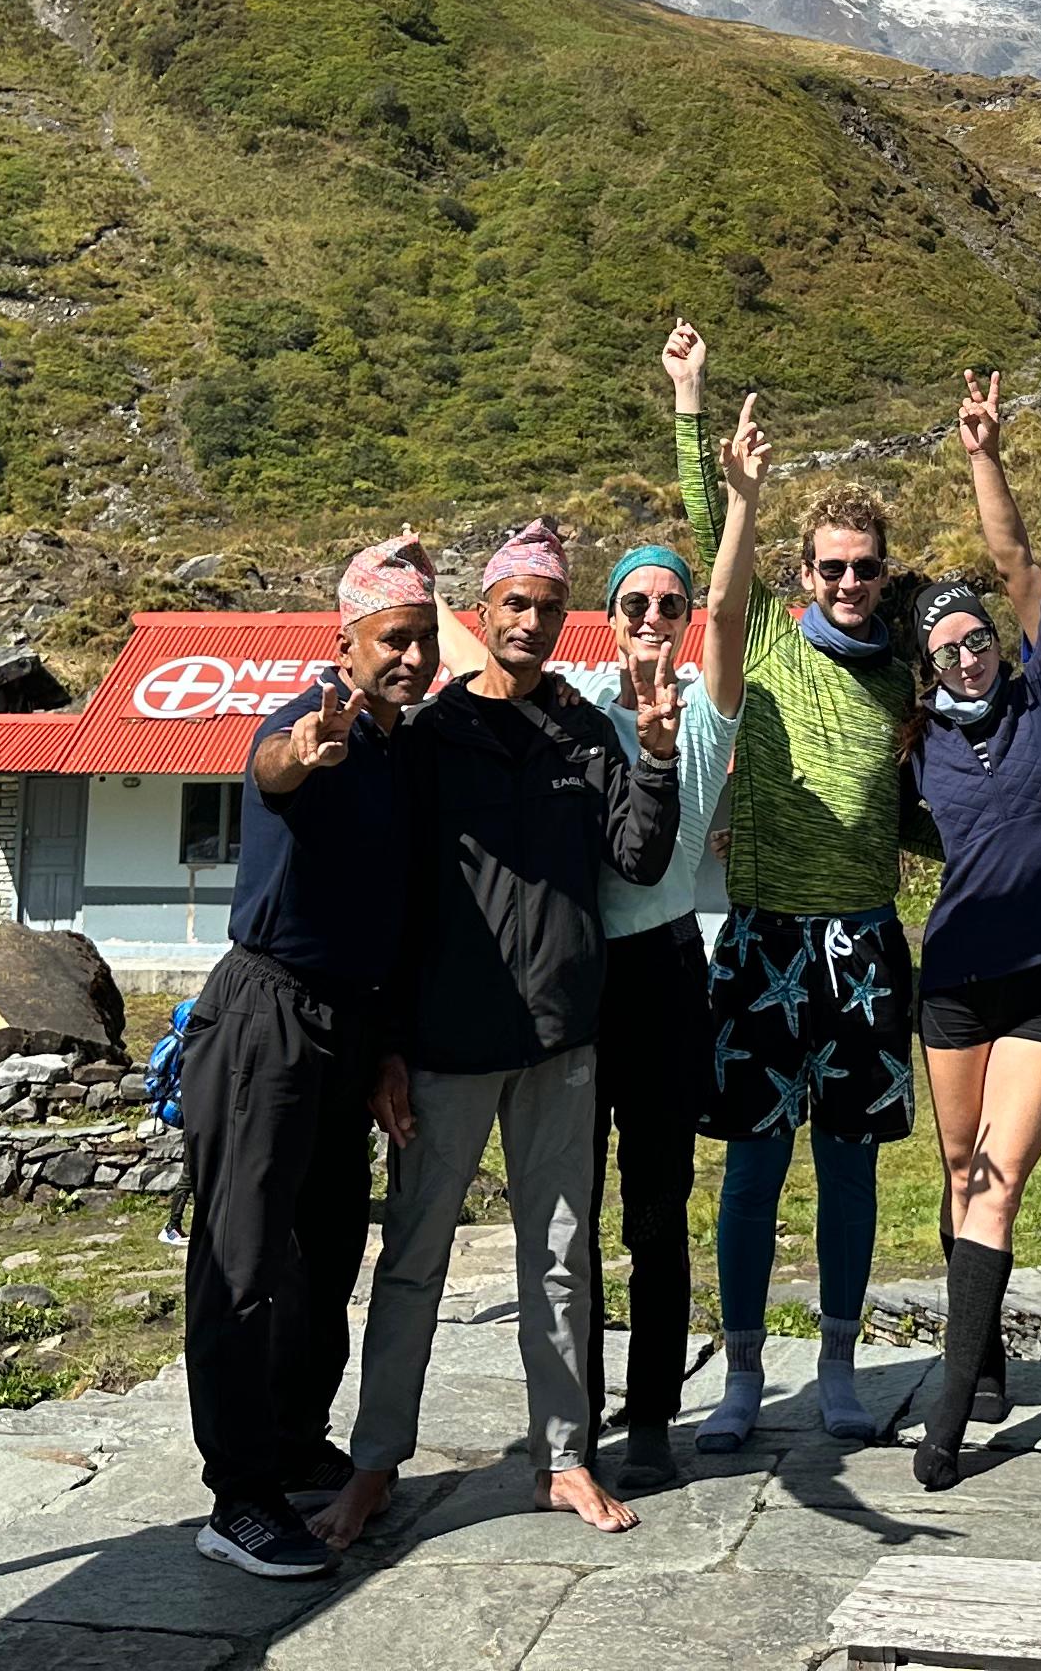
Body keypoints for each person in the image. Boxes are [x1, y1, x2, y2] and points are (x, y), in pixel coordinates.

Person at [320, 521, 682, 1547]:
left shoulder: (582, 732)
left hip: (563, 1040)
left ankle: (562, 1457)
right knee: (412, 1261)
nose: (529, 622)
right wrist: (388, 1043)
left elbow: (641, 861)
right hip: (444, 1044)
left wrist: (655, 758)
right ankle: (375, 1461)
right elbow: (392, 899)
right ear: (481, 617)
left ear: (564, 622)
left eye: (546, 607)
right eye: (513, 605)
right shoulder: (427, 742)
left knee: (563, 1257)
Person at [181, 534, 440, 1582]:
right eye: (392, 640)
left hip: (345, 1029)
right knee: (240, 1262)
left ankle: (292, 1442)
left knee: (325, 1254)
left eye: (423, 640)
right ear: (346, 642)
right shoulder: (310, 723)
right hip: (267, 1019)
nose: (411, 658)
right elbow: (275, 766)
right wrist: (311, 744)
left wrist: (382, 1046)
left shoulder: (397, 752)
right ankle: (237, 1496)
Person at [693, 395, 917, 1451]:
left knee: (851, 1166)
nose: (847, 583)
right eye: (829, 567)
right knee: (752, 1166)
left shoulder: (908, 674)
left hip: (865, 943)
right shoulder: (767, 655)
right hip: (768, 937)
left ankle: (837, 1367)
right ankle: (742, 1375)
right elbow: (720, 588)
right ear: (803, 575)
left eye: (864, 567)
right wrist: (707, 437)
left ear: (883, 571)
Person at [903, 374, 1041, 1490]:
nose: (970, 657)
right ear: (929, 666)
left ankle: (947, 1418)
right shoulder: (920, 746)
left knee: (998, 1171)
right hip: (952, 981)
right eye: (949, 649)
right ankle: (980, 1362)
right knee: (952, 1164)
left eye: (978, 639)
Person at [554, 322, 743, 1490]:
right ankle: (571, 1416)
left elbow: (733, 597)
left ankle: (659, 1417)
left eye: (669, 604)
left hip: (670, 972)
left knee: (658, 1208)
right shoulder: (578, 703)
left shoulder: (712, 713)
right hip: (580, 977)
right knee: (569, 1211)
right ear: (609, 617)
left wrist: (694, 411)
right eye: (635, 604)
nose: (655, 618)